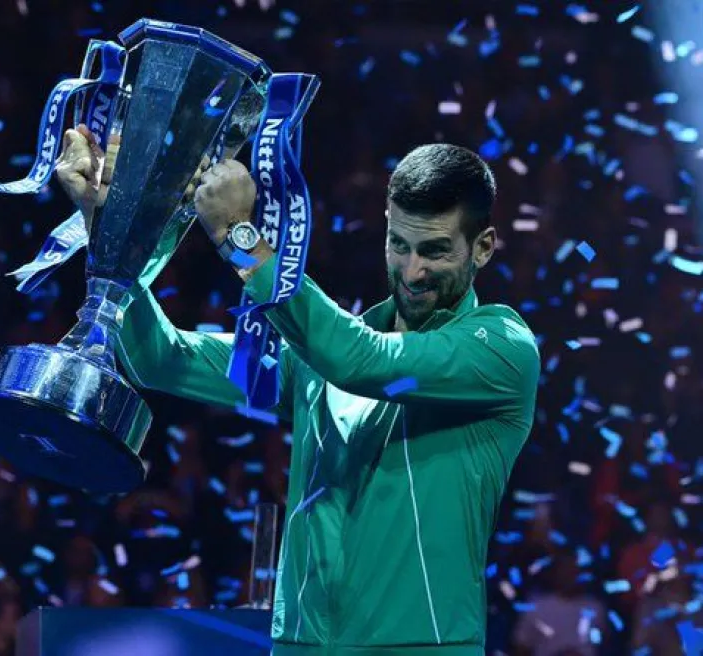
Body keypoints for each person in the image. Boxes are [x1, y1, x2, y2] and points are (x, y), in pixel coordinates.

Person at [56, 126, 540, 654]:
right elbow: (161, 359)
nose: (413, 271)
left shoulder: (499, 349)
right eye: (399, 245)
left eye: (436, 251)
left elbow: (363, 362)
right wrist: (109, 227)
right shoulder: (321, 351)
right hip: (299, 644)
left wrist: (238, 238)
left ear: (483, 247)